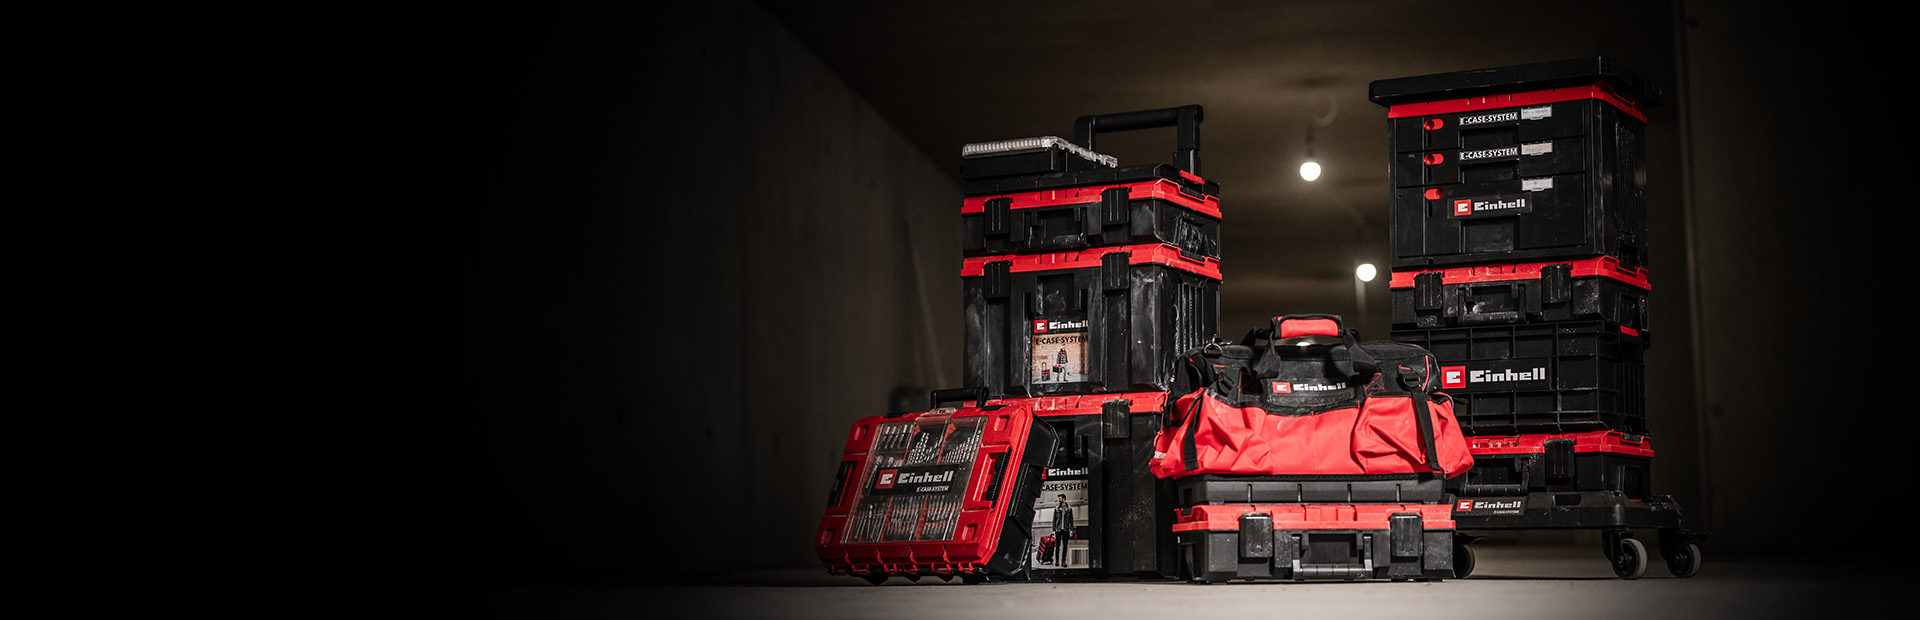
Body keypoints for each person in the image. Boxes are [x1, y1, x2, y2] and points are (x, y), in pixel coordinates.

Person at [1050, 494, 1074, 566]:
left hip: (1066, 530)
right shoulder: (1057, 509)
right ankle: (1057, 560)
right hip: (1058, 530)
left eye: (1060, 499)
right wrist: (1053, 530)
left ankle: (1063, 561)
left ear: (1064, 499)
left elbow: (1071, 520)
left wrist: (1071, 529)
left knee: (1065, 546)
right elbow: (1054, 520)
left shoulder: (1069, 509)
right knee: (1057, 546)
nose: (1059, 500)